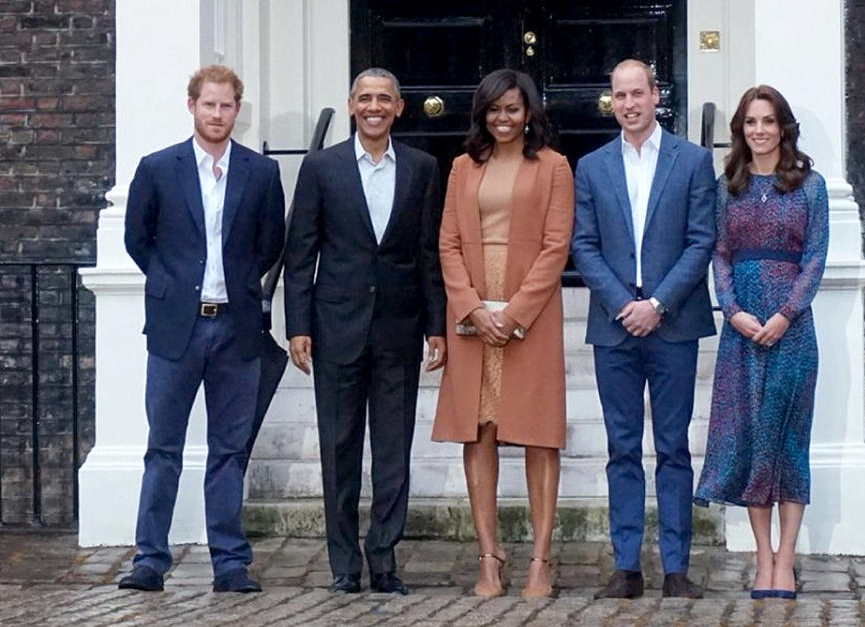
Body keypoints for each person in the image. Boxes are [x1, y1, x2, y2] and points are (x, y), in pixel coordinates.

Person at [119, 65, 285, 593]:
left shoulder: (261, 174)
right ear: (191, 105)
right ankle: (150, 557)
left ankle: (230, 561)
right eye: (209, 105)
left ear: (239, 109)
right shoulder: (157, 168)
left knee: (230, 449)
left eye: (227, 106)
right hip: (175, 330)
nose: (217, 115)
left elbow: (270, 242)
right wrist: (172, 283)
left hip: (235, 327)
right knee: (162, 447)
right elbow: (137, 238)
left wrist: (236, 284)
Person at [283, 68, 446, 596]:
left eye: (384, 99)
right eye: (365, 98)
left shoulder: (422, 168)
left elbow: (427, 252)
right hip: (335, 327)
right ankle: (344, 564)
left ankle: (385, 556)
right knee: (339, 448)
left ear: (399, 107)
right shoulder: (321, 168)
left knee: (394, 449)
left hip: (400, 328)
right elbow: (301, 251)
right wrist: (297, 325)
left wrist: (437, 325)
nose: (374, 107)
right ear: (351, 105)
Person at [571, 59, 716, 599]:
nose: (629, 104)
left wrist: (657, 302)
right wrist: (620, 303)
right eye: (619, 95)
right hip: (614, 328)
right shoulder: (591, 166)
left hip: (673, 323)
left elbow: (701, 240)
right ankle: (626, 564)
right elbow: (582, 245)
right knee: (622, 446)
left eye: (638, 93)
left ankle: (677, 566)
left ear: (657, 95)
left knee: (674, 446)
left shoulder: (693, 161)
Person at [432, 68, 574, 599]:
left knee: (537, 432)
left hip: (529, 311)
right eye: (493, 109)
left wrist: (514, 312)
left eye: (512, 108)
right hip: (472, 311)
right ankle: (489, 557)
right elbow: (447, 243)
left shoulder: (555, 167)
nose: (503, 118)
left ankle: (540, 559)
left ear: (529, 111)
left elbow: (557, 246)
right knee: (480, 428)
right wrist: (470, 305)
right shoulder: (463, 168)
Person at [694, 86, 828, 600]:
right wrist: (734, 312)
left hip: (792, 331)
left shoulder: (810, 186)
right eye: (750, 122)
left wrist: (785, 314)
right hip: (742, 331)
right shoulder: (728, 185)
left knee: (789, 442)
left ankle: (787, 559)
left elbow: (815, 258)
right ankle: (763, 558)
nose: (759, 130)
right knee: (752, 440)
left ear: (783, 127)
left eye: (768, 121)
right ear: (740, 130)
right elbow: (720, 255)